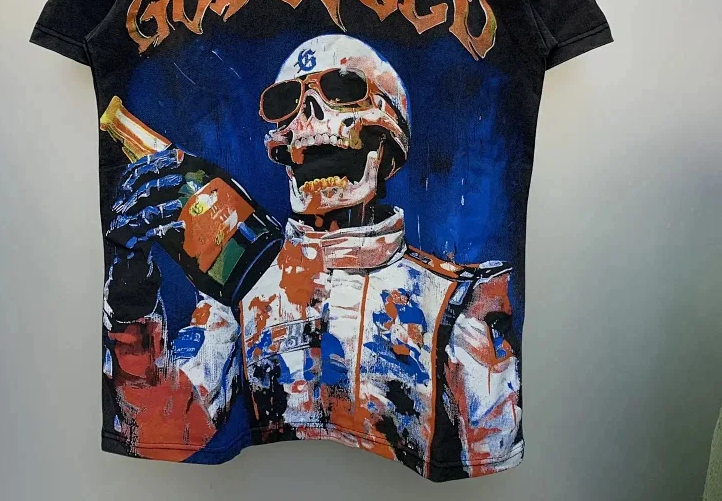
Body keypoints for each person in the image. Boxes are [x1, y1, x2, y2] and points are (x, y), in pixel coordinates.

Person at [103, 35, 522, 480]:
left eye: (340, 91)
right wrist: (131, 303)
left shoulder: (456, 303)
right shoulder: (244, 287)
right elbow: (167, 425)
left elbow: (489, 454)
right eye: (288, 103)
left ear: (386, 144)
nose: (309, 119)